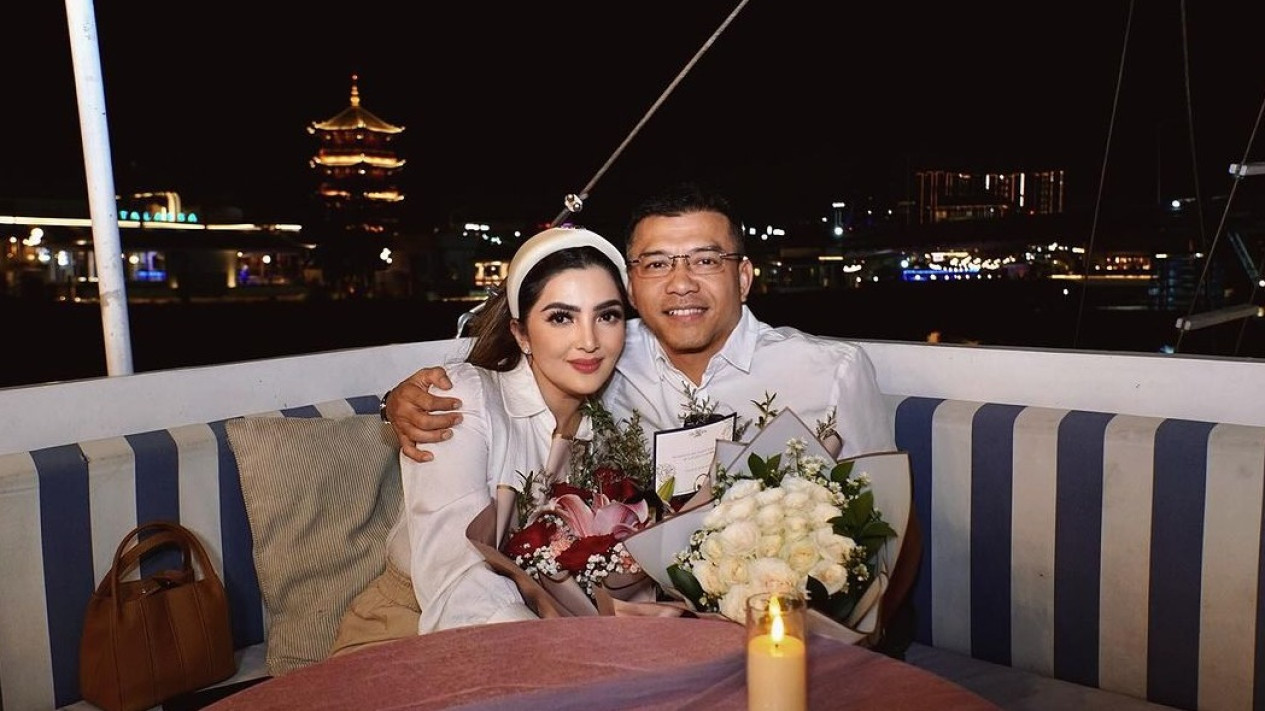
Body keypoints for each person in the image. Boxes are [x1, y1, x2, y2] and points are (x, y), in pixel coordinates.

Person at [384, 181, 895, 461]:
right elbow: (494, 369)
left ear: (742, 277)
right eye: (656, 264)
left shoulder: (832, 372)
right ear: (630, 287)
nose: (681, 283)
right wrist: (397, 402)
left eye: (706, 260)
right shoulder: (604, 352)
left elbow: (886, 524)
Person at [329, 226, 631, 656]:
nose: (589, 341)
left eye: (607, 316)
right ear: (521, 334)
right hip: (413, 620)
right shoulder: (463, 400)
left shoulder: (610, 426)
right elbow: (455, 574)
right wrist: (554, 653)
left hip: (544, 624)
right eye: (561, 317)